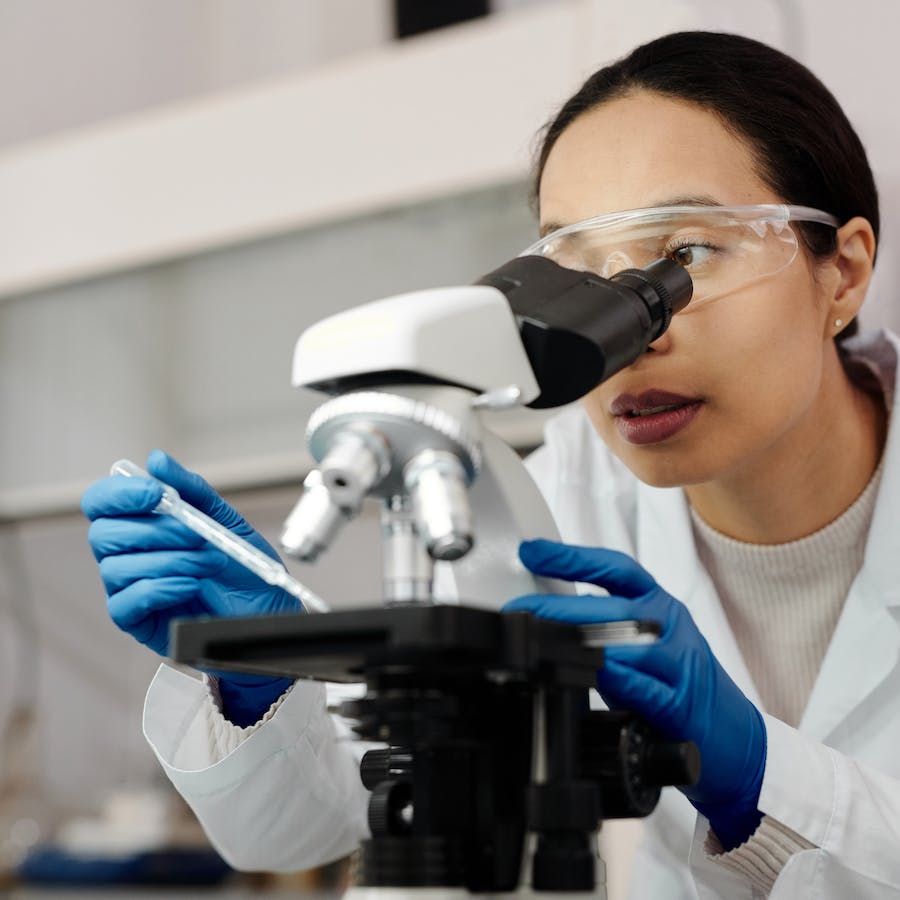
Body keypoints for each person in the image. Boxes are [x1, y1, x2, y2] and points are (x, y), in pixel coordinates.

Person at [80, 30, 900, 898]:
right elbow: (306, 827)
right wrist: (259, 683)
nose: (632, 335)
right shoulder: (543, 504)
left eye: (684, 256)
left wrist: (761, 773)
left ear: (842, 272)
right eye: (580, 273)